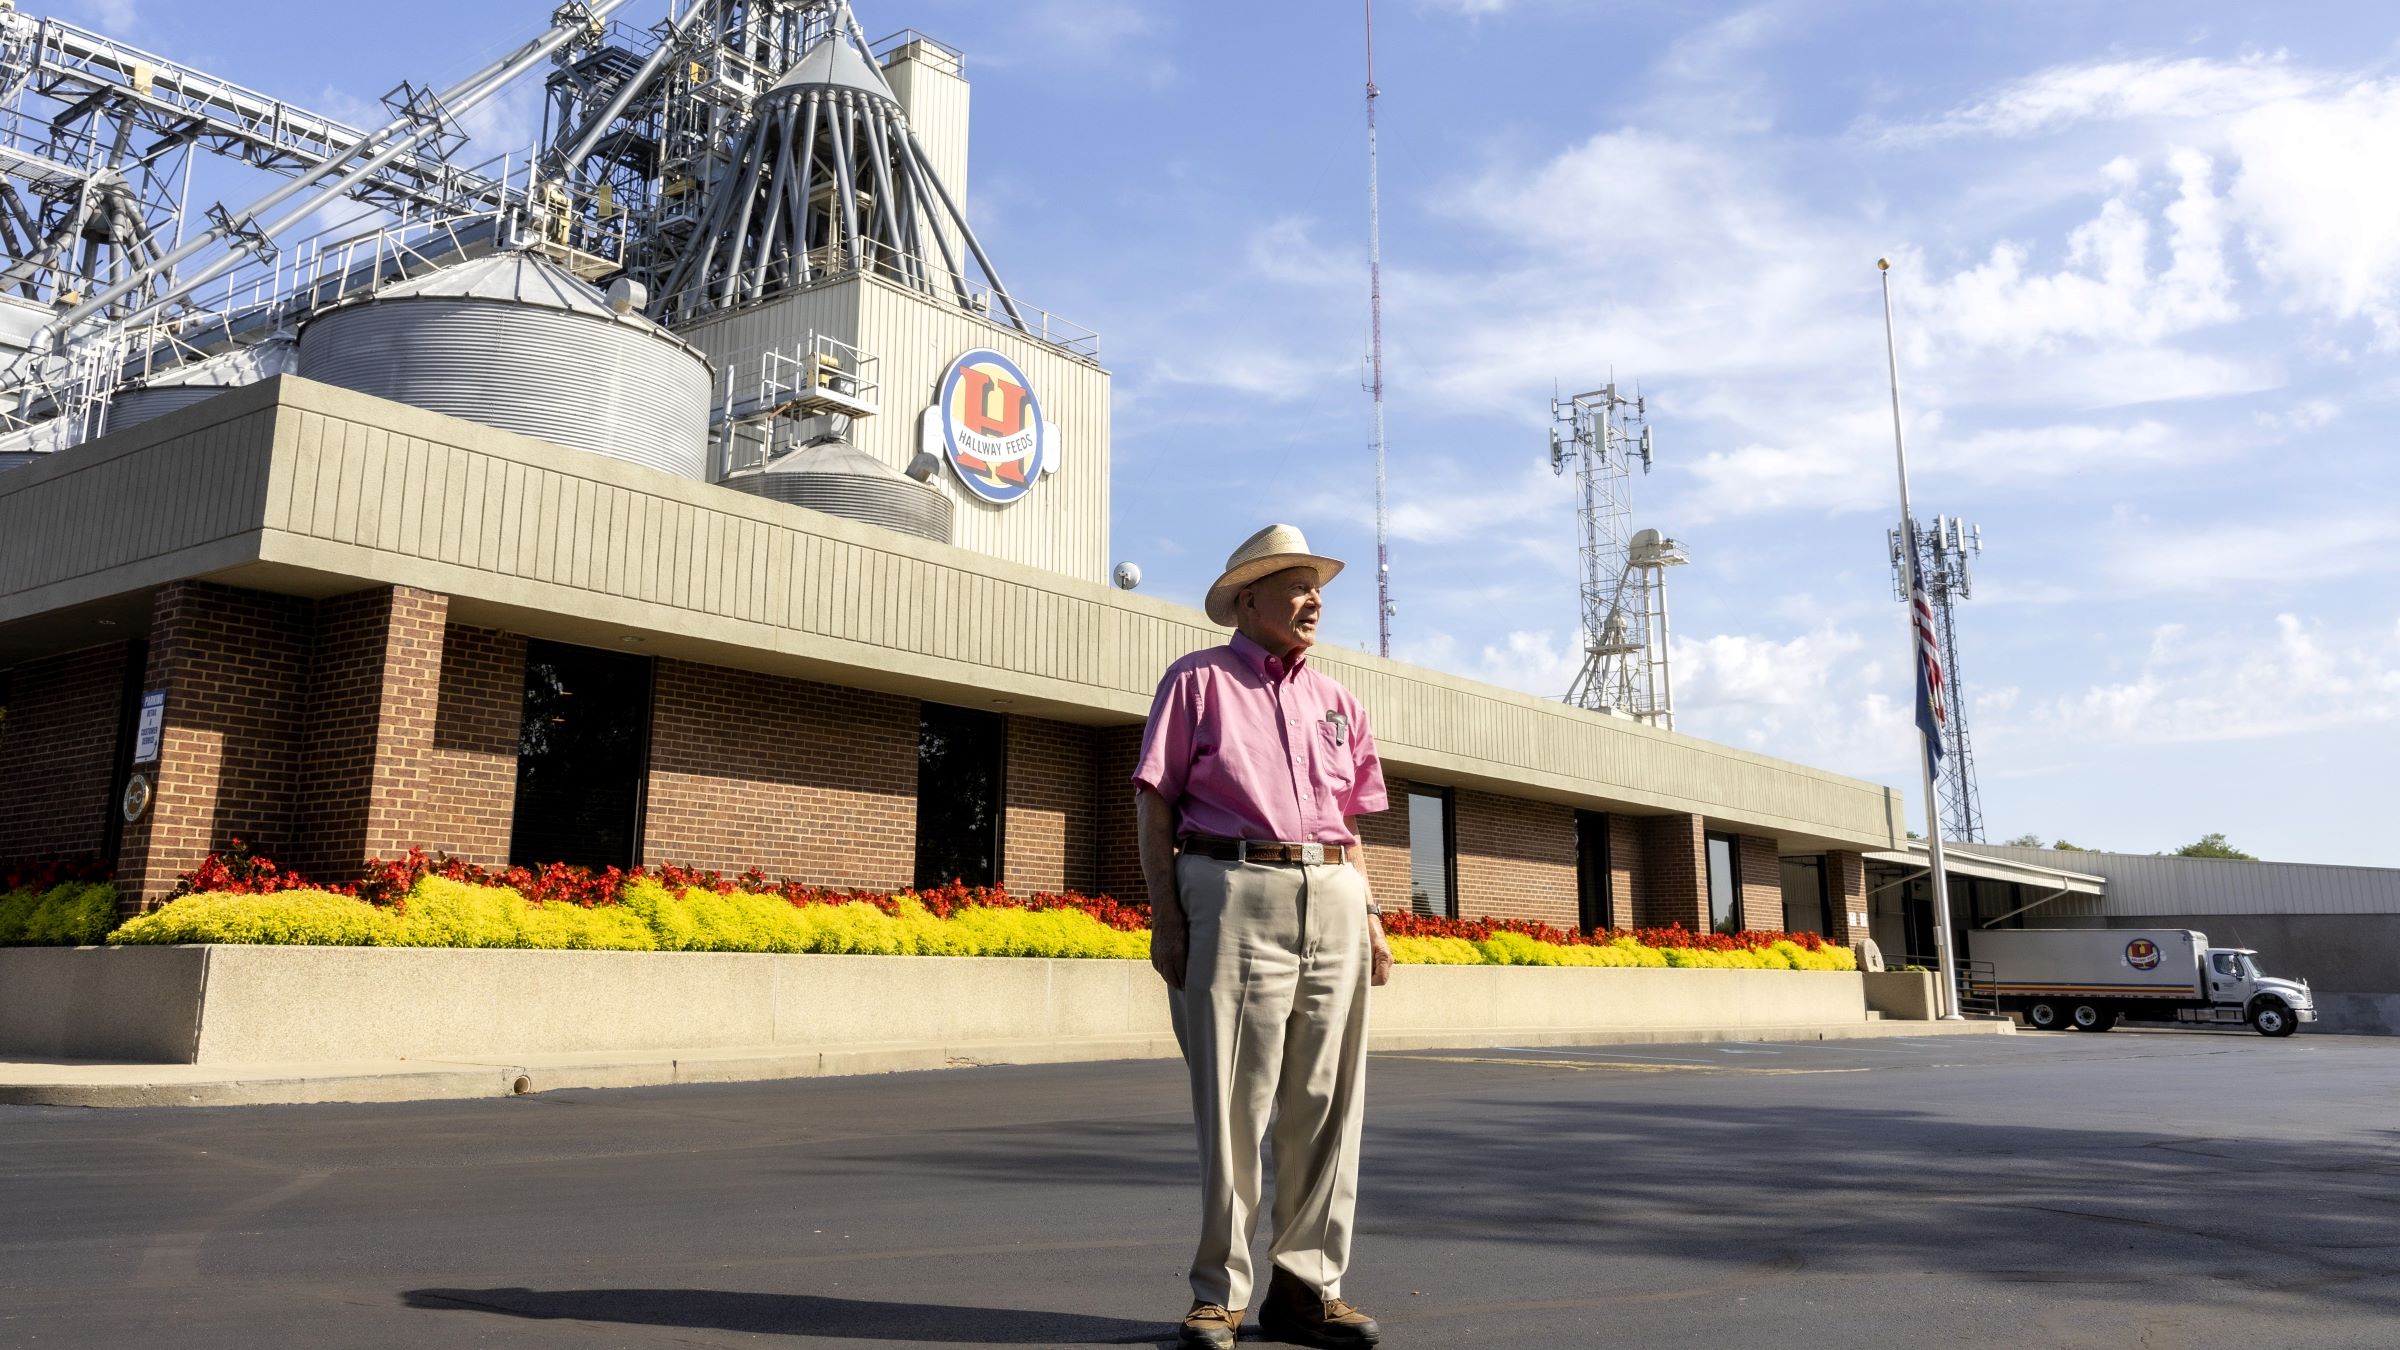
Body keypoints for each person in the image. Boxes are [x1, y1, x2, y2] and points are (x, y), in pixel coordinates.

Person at [1133, 523, 1394, 1349]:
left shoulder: (1340, 702)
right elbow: (1154, 801)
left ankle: (1308, 1288)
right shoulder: (1197, 682)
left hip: (1335, 894)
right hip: (1232, 885)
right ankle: (1220, 1292)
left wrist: (1375, 916)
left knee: (1325, 1103)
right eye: (1297, 585)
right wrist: (1167, 915)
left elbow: (1350, 821)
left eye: (1319, 587)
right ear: (1248, 600)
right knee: (1236, 1104)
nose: (1314, 599)